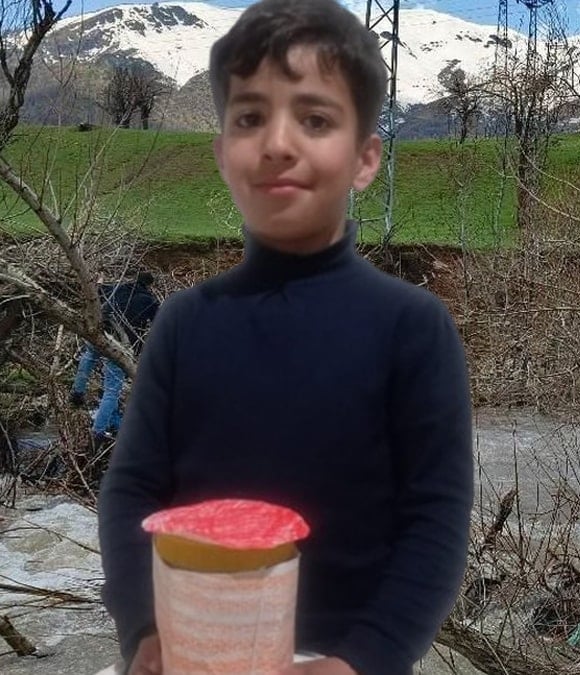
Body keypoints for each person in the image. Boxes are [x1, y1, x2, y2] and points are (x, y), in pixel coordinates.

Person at [97, 2, 473, 674]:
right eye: (248, 117)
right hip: (193, 654)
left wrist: (363, 658)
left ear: (365, 158)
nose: (276, 142)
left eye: (315, 118)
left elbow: (437, 520)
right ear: (221, 154)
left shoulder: (413, 327)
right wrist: (143, 629)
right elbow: (131, 492)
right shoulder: (185, 322)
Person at [69, 272, 159, 442]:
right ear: (149, 286)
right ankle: (98, 431)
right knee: (112, 391)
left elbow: (98, 291)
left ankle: (78, 391)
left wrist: (101, 279)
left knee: (89, 354)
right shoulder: (150, 301)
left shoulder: (118, 287)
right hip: (120, 346)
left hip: (101, 334)